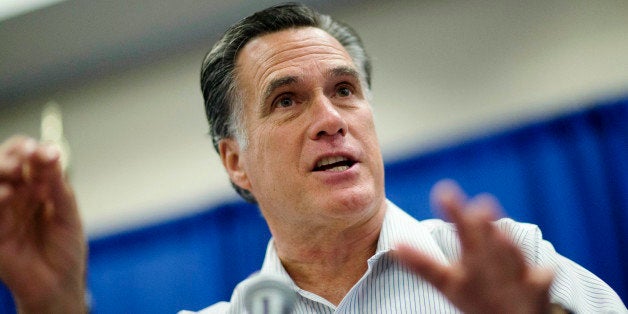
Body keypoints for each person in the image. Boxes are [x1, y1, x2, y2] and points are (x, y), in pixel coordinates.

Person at [0, 3, 625, 314]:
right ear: (236, 162)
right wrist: (54, 306)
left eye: (345, 90)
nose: (330, 119)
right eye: (287, 100)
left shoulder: (512, 263)